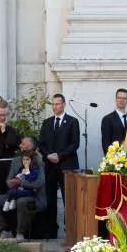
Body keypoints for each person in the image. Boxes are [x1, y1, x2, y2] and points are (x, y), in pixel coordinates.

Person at [38, 93, 80, 239]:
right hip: (50, 166)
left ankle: (69, 230)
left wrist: (59, 156)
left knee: (68, 198)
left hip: (66, 166)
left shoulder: (72, 121)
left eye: (58, 104)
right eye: (53, 104)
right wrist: (48, 155)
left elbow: (75, 144)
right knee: (50, 199)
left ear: (63, 104)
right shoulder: (47, 122)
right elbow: (41, 143)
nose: (55, 107)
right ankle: (50, 230)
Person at [0, 148, 46, 242]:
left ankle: (20, 233)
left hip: (31, 194)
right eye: (24, 159)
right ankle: (5, 230)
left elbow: (39, 183)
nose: (20, 145)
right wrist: (11, 182)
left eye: (27, 159)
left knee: (21, 202)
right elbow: (9, 181)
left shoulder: (38, 165)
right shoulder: (17, 164)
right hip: (15, 193)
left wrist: (21, 182)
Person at [100, 89, 127, 154]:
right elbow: (105, 144)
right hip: (115, 159)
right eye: (119, 98)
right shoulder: (107, 119)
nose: (121, 100)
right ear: (116, 99)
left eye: (124, 98)